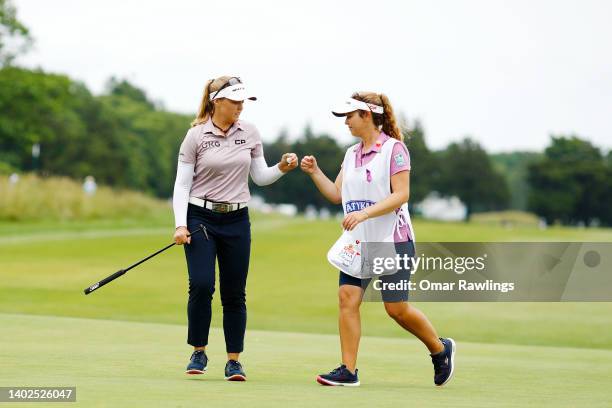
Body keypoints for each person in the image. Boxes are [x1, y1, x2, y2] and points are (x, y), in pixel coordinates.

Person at [300, 92, 456, 387]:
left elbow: (401, 194)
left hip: (392, 240)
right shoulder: (351, 154)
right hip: (359, 242)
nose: (346, 122)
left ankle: (440, 349)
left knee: (396, 309)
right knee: (347, 299)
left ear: (367, 115)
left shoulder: (394, 150)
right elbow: (336, 194)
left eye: (350, 115)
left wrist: (364, 214)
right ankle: (348, 370)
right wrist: (314, 172)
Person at [172, 76, 298, 381]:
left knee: (234, 292)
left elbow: (260, 177)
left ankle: (234, 360)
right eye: (235, 101)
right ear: (218, 101)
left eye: (244, 101)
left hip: (237, 220)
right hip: (200, 218)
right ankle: (198, 352)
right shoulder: (196, 136)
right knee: (201, 285)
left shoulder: (250, 133)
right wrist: (180, 223)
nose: (241, 106)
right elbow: (182, 184)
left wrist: (282, 167)